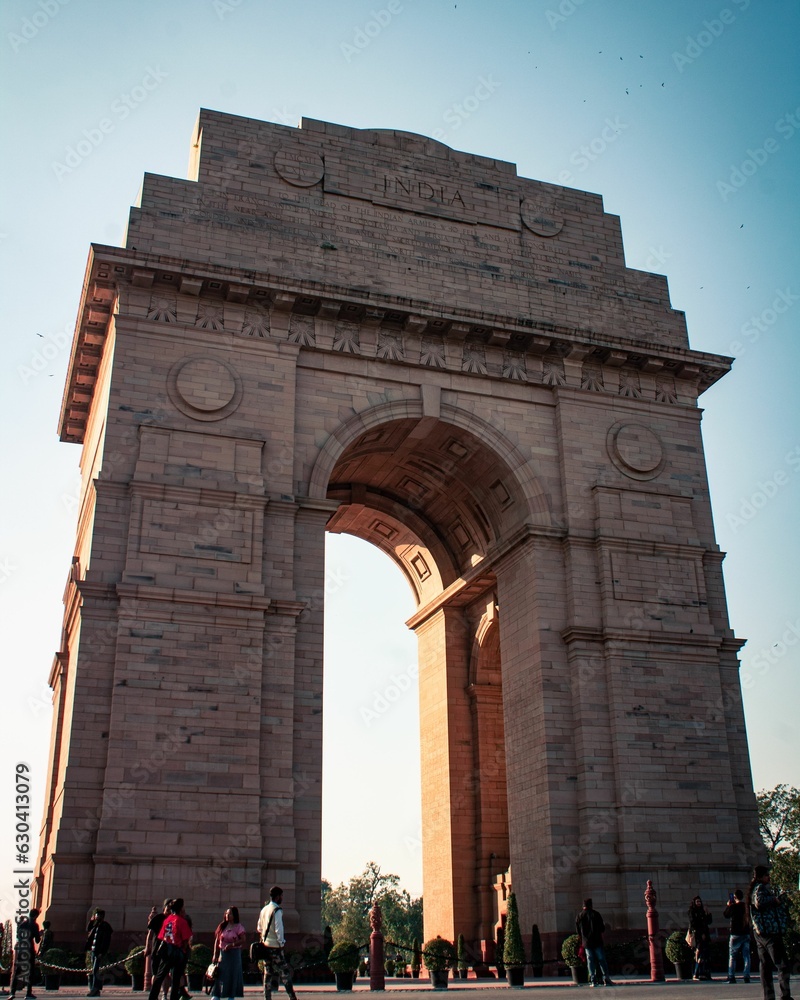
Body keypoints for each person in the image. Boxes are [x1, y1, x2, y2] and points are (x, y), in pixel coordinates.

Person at [748, 865, 792, 1000]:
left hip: (761, 933)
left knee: (765, 966)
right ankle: (785, 995)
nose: (769, 877)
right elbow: (759, 902)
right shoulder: (760, 888)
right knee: (782, 965)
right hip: (770, 932)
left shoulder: (755, 889)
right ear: (761, 877)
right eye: (767, 875)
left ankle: (769, 996)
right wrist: (775, 900)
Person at [256, 887, 297, 1000]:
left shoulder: (264, 910)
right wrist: (281, 942)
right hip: (275, 947)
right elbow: (279, 928)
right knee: (284, 973)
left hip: (265, 946)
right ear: (278, 896)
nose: (282, 898)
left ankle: (267, 997)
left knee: (267, 974)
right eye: (281, 896)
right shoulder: (277, 910)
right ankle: (292, 997)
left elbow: (259, 928)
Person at [148, 898, 193, 1000]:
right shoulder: (181, 921)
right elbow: (186, 939)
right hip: (177, 951)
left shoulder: (167, 919)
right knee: (176, 979)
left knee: (159, 976)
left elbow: (161, 936)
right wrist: (184, 950)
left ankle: (152, 997)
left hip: (166, 951)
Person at [575, 898, 614, 988]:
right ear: (591, 905)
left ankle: (593, 979)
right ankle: (606, 978)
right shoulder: (596, 914)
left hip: (586, 942)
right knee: (601, 959)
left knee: (590, 960)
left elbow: (578, 931)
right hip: (597, 941)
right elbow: (602, 928)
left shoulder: (579, 916)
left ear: (583, 906)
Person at [210, 907, 246, 1000]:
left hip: (234, 954)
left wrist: (232, 945)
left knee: (232, 975)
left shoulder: (238, 927)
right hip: (223, 954)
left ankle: (231, 995)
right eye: (226, 913)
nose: (227, 915)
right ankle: (217, 994)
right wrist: (215, 954)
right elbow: (217, 941)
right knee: (220, 974)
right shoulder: (222, 926)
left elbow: (243, 939)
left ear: (234, 915)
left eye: (229, 914)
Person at [8, 908, 41, 1000]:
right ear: (35, 916)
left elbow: (18, 936)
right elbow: (37, 940)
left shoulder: (22, 924)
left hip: (20, 949)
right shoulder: (34, 925)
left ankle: (12, 992)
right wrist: (39, 934)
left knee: (17, 971)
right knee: (30, 972)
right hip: (29, 949)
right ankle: (28, 993)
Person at [724, 890, 751, 984]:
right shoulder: (746, 906)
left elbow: (726, 915)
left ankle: (731, 976)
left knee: (732, 956)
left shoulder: (733, 907)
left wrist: (728, 905)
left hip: (735, 933)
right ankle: (746, 976)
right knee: (746, 956)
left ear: (734, 897)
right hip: (745, 932)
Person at [85, 909, 113, 997]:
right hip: (94, 951)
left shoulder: (105, 926)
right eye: (96, 915)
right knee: (94, 971)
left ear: (102, 916)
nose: (97, 917)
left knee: (96, 971)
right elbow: (88, 929)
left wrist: (102, 952)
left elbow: (106, 941)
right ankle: (95, 989)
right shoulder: (96, 925)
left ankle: (95, 988)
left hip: (99, 952)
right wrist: (91, 921)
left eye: (98, 915)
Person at [688, 896, 713, 981]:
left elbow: (708, 922)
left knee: (705, 954)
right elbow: (693, 923)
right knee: (698, 954)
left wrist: (708, 913)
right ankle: (696, 973)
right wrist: (700, 933)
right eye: (697, 902)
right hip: (698, 935)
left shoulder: (702, 911)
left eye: (700, 902)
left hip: (705, 935)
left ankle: (705, 973)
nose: (699, 903)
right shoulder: (692, 912)